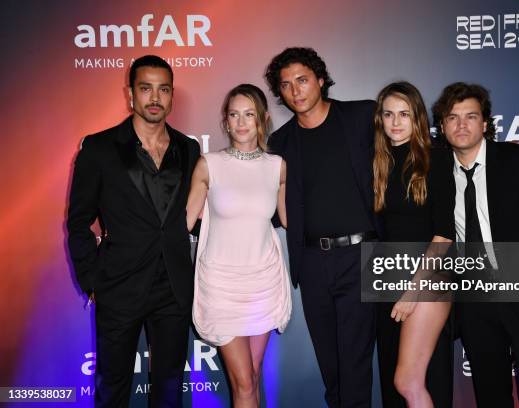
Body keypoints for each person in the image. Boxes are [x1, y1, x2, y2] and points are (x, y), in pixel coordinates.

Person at [67, 55, 201, 407]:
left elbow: (193, 214)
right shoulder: (98, 148)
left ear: (172, 97)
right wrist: (92, 279)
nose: (155, 98)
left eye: (163, 90)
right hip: (119, 285)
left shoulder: (189, 149)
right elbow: (78, 221)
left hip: (173, 287)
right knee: (112, 387)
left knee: (170, 387)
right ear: (131, 95)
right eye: (146, 89)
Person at [432, 82, 519, 407]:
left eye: (470, 116)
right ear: (442, 126)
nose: (461, 125)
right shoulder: (437, 171)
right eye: (453, 118)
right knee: (490, 393)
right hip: (474, 299)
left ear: (485, 124)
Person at [265, 47, 381, 407]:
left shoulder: (362, 115)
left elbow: (415, 149)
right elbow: (272, 207)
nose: (295, 91)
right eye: (286, 85)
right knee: (330, 366)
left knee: (355, 364)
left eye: (302, 80)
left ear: (319, 79)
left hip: (362, 256)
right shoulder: (280, 142)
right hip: (313, 262)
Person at [187, 84, 291, 408]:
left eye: (249, 114)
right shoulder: (209, 164)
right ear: (226, 121)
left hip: (262, 281)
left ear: (261, 119)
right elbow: (183, 224)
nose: (241, 122)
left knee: (252, 377)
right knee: (245, 382)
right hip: (221, 284)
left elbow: (289, 219)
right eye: (234, 115)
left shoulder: (277, 166)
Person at [372, 82, 455, 408]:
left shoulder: (436, 159)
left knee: (410, 381)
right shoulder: (379, 162)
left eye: (404, 114)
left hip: (427, 278)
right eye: (388, 113)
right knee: (397, 387)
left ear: (418, 118)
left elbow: (444, 233)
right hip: (386, 276)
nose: (395, 121)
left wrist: (413, 290)